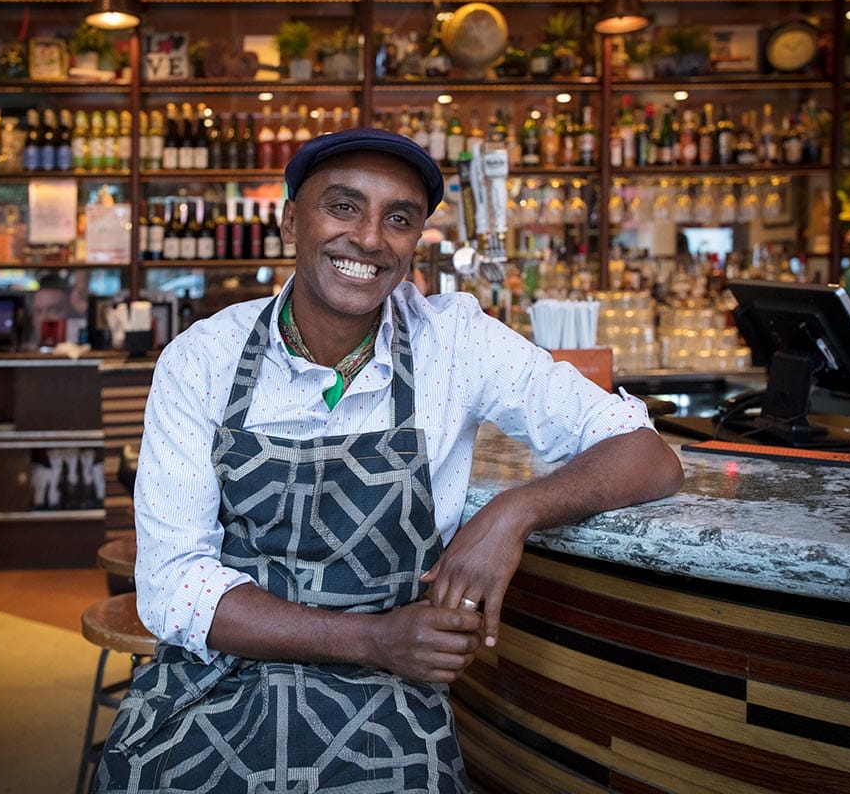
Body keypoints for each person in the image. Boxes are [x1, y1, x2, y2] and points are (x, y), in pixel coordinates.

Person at [95, 128, 683, 792]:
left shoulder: (457, 342)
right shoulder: (203, 359)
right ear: (291, 218)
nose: (370, 238)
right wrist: (375, 640)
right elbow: (173, 590)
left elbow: (648, 455)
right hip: (219, 678)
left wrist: (513, 512)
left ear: (415, 241)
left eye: (398, 219)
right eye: (343, 206)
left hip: (386, 698)